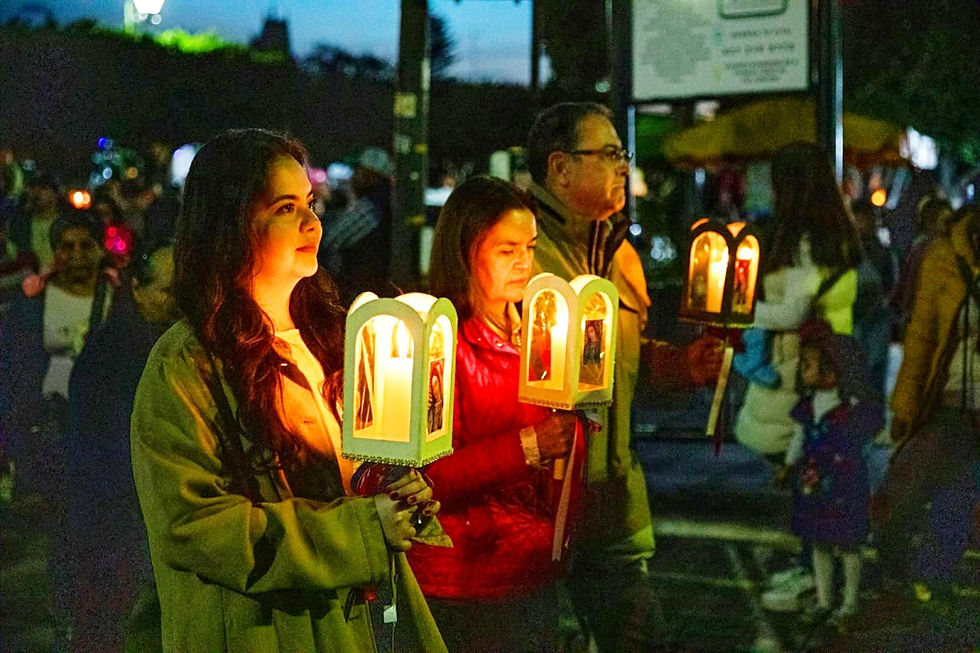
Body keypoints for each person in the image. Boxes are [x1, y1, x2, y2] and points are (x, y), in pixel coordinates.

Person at [129, 128, 445, 652]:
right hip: (268, 632)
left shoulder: (335, 338)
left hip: (362, 622)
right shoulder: (186, 364)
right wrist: (362, 530)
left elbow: (360, 477)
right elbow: (193, 525)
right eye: (284, 208)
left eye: (310, 203)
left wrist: (397, 491)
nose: (311, 223)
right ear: (229, 226)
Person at [525, 102, 722, 651]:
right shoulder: (518, 254)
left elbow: (624, 362)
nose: (621, 166)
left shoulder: (620, 255)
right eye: (608, 153)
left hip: (611, 497)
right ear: (560, 168)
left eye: (622, 154)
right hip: (530, 504)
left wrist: (683, 365)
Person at [412, 175, 582, 651]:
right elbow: (427, 475)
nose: (524, 263)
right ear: (466, 251)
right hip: (463, 574)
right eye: (507, 250)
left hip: (532, 564)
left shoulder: (541, 334)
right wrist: (529, 447)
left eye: (529, 246)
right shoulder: (441, 343)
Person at [732, 142, 861, 613]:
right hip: (817, 368)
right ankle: (813, 567)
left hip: (798, 372)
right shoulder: (832, 234)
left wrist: (743, 311)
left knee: (807, 478)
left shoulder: (807, 238)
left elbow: (794, 308)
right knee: (811, 478)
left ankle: (814, 575)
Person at [65, 241, 178, 652]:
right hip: (114, 511)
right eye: (167, 291)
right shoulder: (117, 349)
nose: (177, 301)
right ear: (138, 290)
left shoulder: (161, 340)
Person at [873, 202, 980, 601]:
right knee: (910, 485)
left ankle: (934, 577)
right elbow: (921, 338)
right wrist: (904, 406)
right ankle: (895, 565)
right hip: (949, 399)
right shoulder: (943, 256)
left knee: (961, 493)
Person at [778, 320, 881, 625]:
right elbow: (798, 438)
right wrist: (788, 465)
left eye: (809, 364)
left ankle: (849, 602)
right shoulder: (807, 407)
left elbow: (866, 439)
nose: (803, 370)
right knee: (819, 541)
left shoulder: (854, 409)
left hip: (846, 485)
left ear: (833, 371)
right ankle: (825, 601)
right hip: (814, 484)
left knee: (849, 543)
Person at [320, 147, 395, 305]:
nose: (354, 176)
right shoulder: (388, 204)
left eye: (358, 171)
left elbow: (330, 239)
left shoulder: (371, 207)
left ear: (372, 175)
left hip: (360, 297)